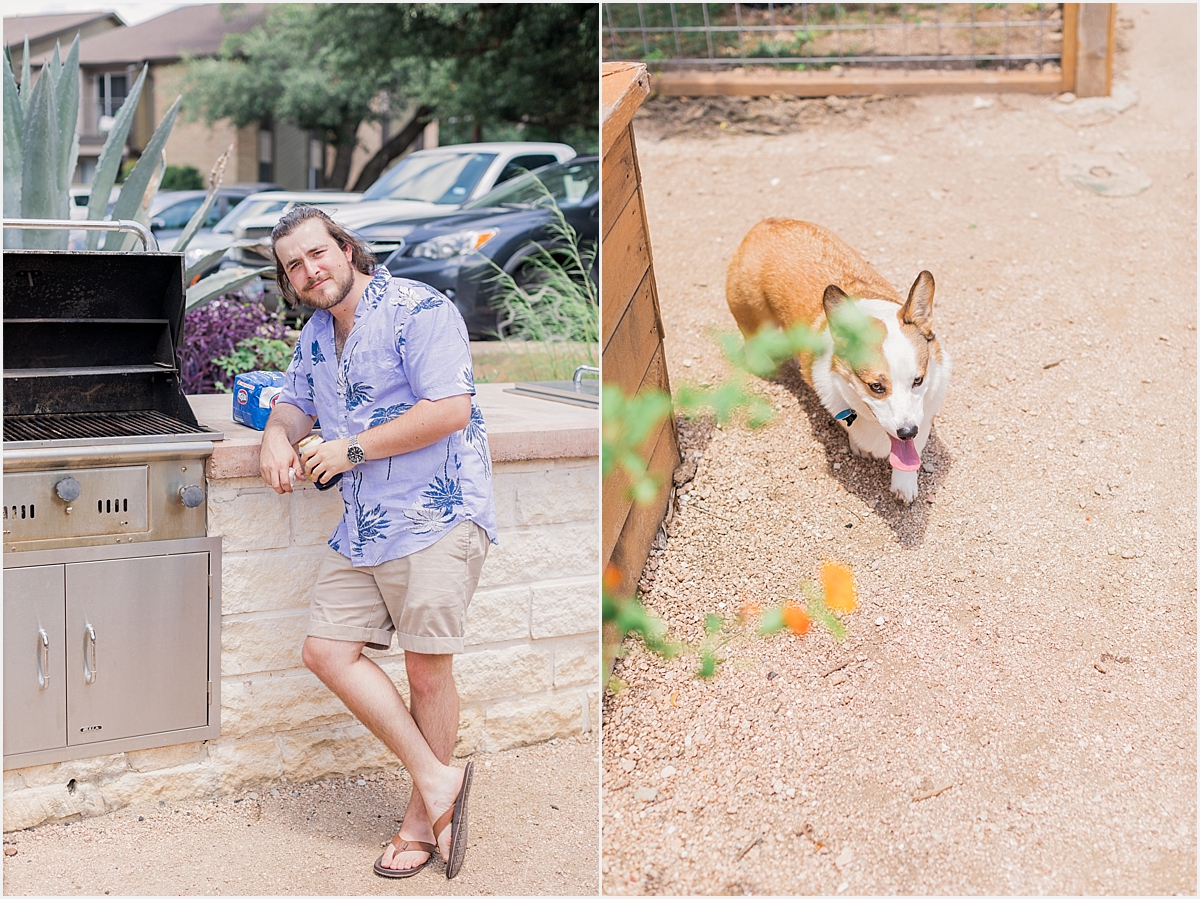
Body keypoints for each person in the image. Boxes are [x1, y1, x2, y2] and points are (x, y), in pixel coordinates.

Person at [259, 205, 497, 880]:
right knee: (326, 650)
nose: (310, 270)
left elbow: (449, 408)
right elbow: (292, 401)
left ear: (345, 247)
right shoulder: (314, 333)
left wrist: (350, 447)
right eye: (294, 266)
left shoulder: (420, 309)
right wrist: (278, 435)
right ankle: (437, 776)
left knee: (427, 669)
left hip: (436, 512)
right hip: (364, 524)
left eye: (317, 253)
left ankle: (421, 822)